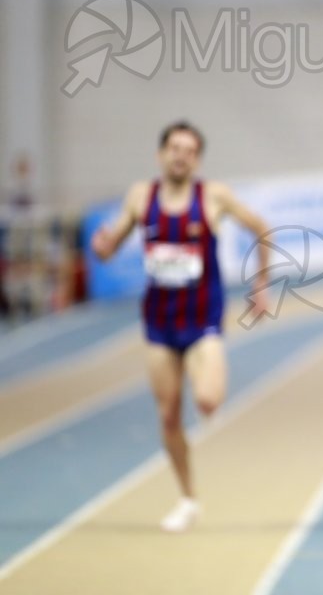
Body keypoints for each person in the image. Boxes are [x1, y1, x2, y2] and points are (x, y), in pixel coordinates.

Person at [91, 121, 269, 532]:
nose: (180, 155)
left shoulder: (213, 196)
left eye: (189, 150)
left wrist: (261, 285)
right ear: (161, 155)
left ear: (198, 159)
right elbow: (111, 243)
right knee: (169, 416)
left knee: (206, 400)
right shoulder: (141, 196)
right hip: (158, 323)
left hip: (203, 318)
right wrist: (102, 247)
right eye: (174, 148)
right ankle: (188, 499)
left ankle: (206, 390)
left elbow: (261, 228)